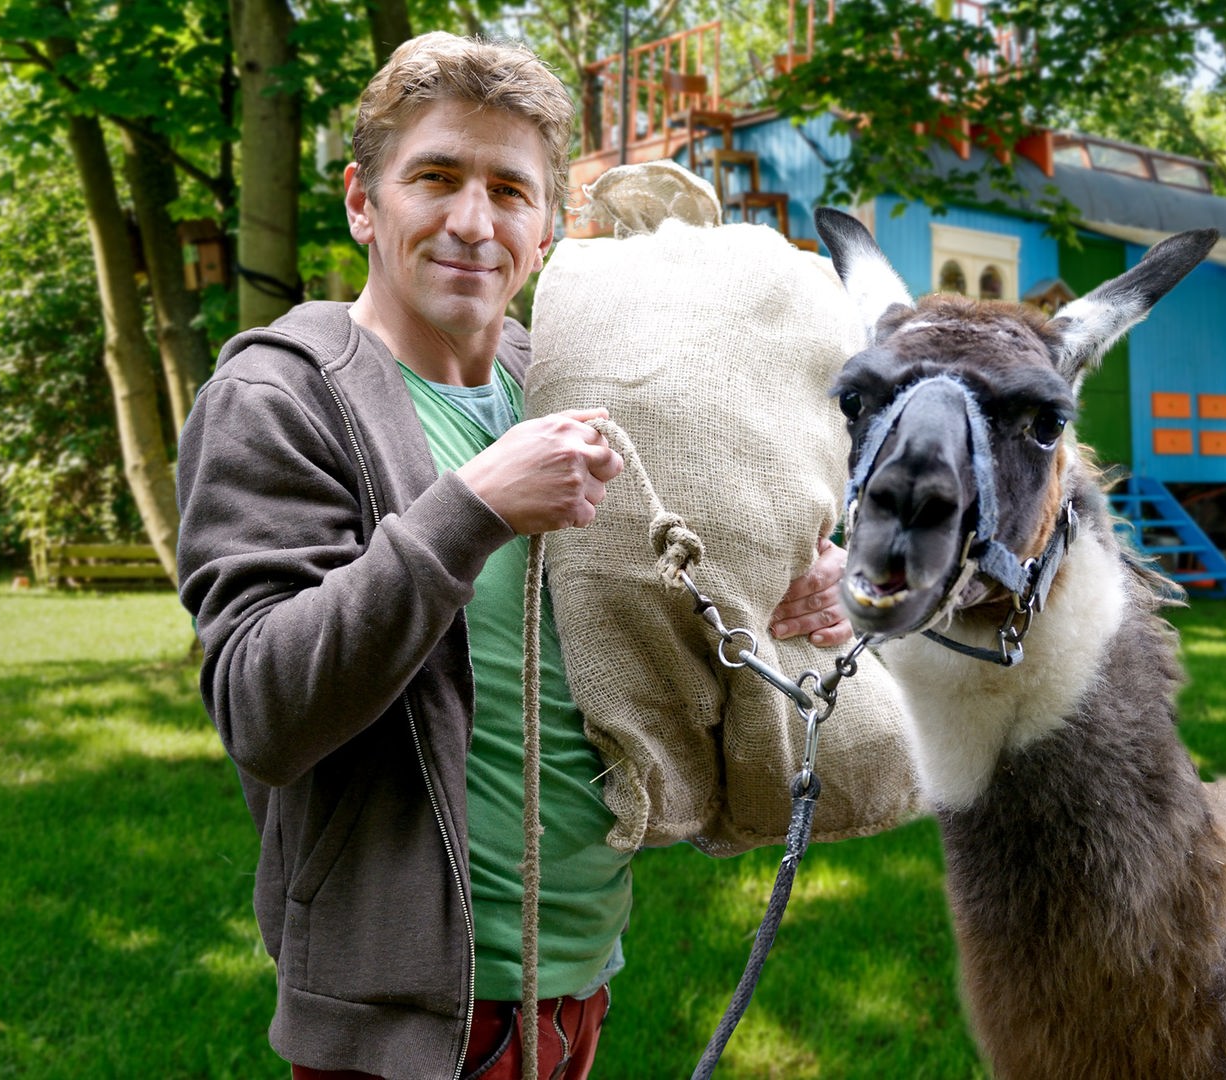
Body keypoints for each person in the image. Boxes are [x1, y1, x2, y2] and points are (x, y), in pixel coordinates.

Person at [175, 32, 850, 1080]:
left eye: (508, 190)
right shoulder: (281, 397)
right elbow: (261, 707)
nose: (472, 222)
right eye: (435, 178)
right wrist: (473, 508)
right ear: (362, 202)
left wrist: (790, 589)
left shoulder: (568, 383)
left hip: (581, 978)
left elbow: (654, 614)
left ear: (547, 229)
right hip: (414, 1017)